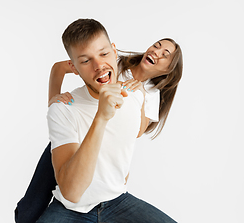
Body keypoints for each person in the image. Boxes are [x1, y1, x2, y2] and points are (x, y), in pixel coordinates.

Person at [15, 19, 183, 223]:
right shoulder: (117, 62)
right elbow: (60, 68)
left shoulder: (147, 94)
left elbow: (133, 135)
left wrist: (138, 96)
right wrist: (54, 100)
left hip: (108, 159)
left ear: (168, 70)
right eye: (157, 45)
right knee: (29, 211)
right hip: (72, 140)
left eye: (166, 55)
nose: (157, 52)